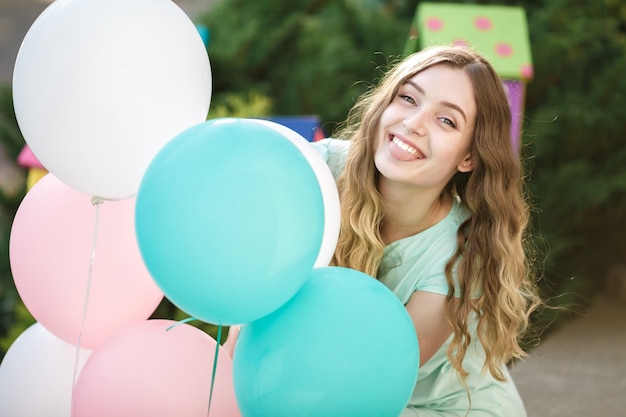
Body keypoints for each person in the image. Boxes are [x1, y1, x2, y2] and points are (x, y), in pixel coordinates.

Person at [312, 44, 543, 416]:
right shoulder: (319, 171)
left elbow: (371, 378)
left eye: (446, 120)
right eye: (408, 98)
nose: (414, 123)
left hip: (436, 407)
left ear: (469, 156)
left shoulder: (460, 256)